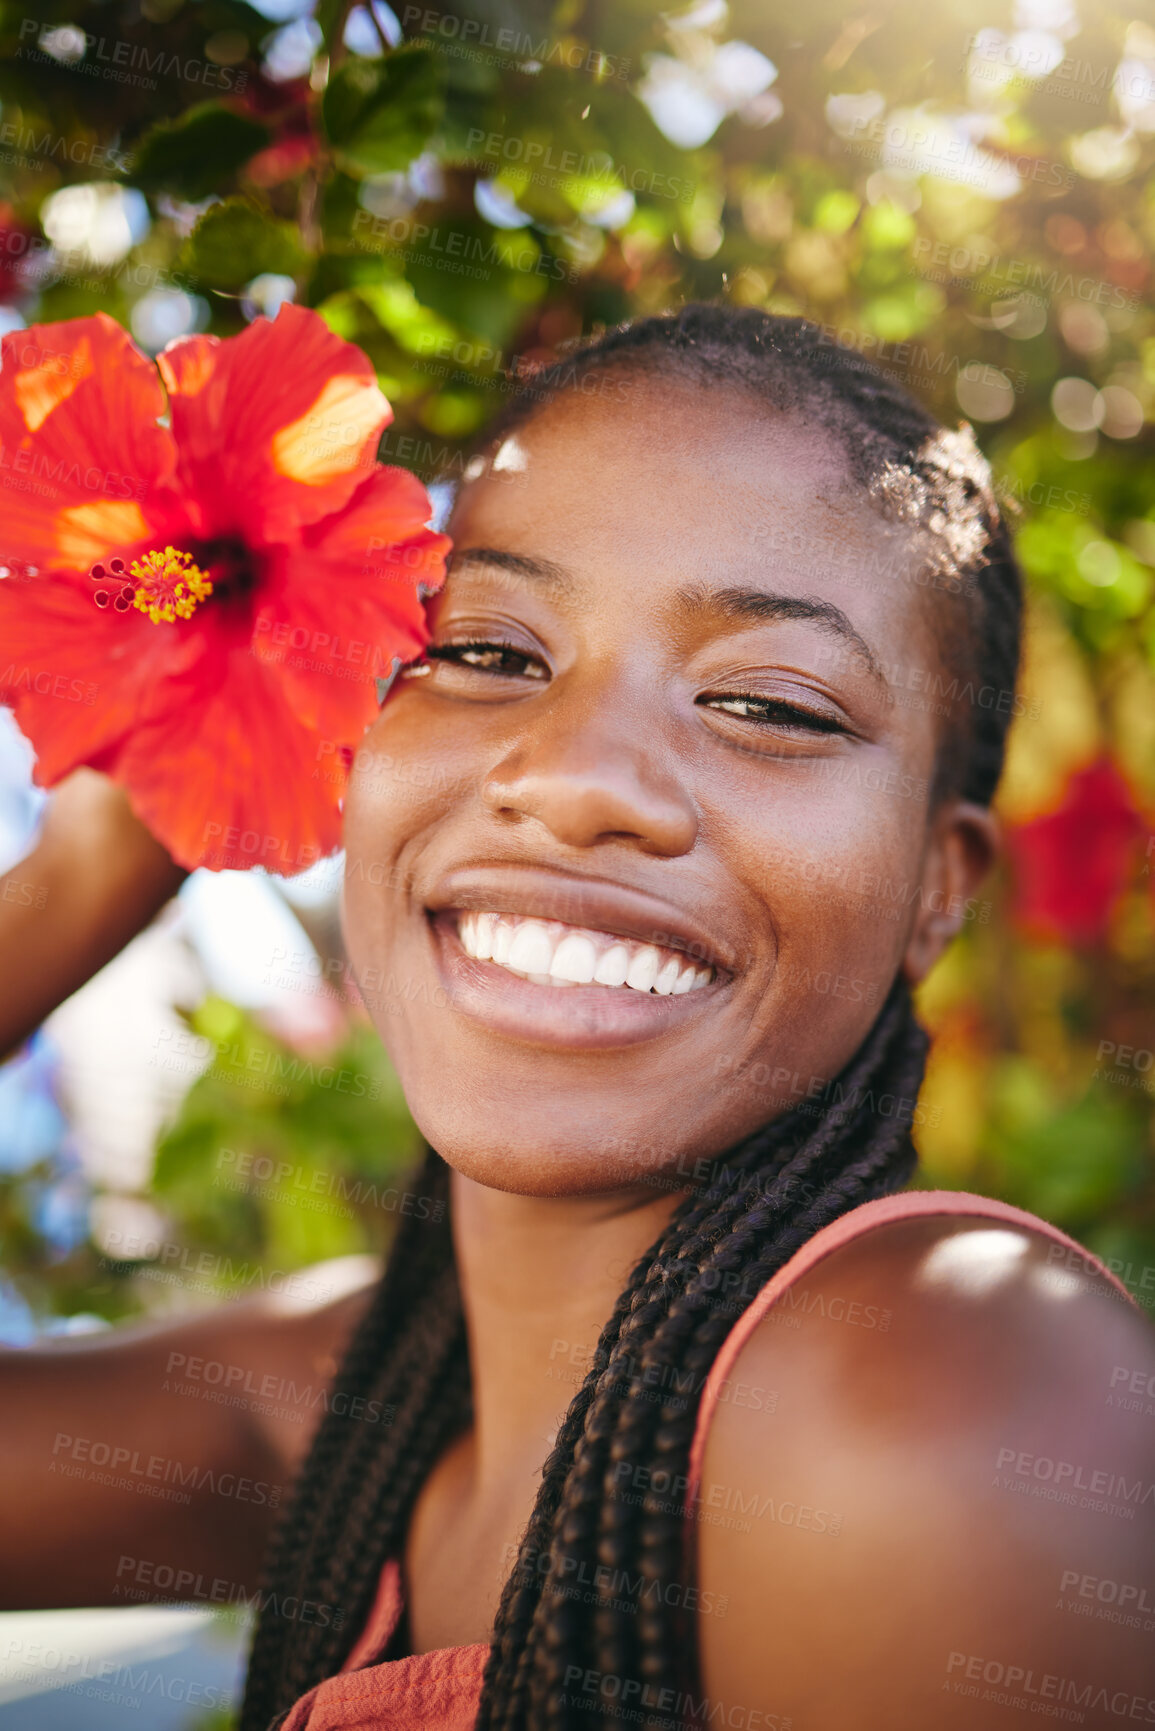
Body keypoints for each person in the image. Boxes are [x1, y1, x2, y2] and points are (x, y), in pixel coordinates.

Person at [1, 306, 1152, 1731]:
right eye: (487, 652)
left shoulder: (937, 1392)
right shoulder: (350, 1399)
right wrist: (77, 878)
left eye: (770, 704)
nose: (577, 776)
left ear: (938, 883)